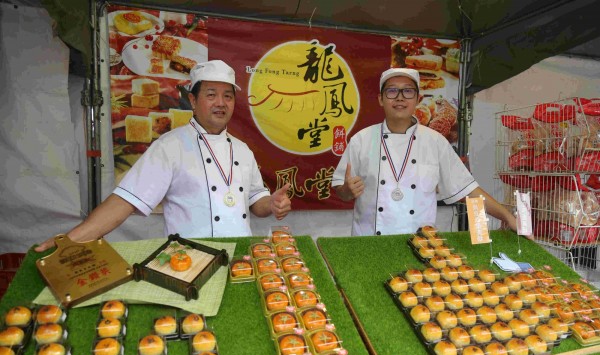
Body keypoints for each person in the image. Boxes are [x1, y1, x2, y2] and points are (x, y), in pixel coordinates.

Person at [36, 60, 291, 251]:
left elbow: (256, 202)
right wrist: (70, 241)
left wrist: (272, 203)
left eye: (227, 96)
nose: (220, 103)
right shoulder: (171, 146)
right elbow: (124, 202)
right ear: (192, 101)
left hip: (240, 259)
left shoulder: (242, 150)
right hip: (188, 260)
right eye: (211, 95)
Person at [332, 67, 519, 236]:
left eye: (407, 91)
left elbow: (467, 189)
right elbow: (340, 189)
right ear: (381, 99)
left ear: (418, 99)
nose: (399, 97)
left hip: (421, 243)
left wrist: (507, 217)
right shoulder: (361, 140)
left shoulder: (435, 141)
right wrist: (347, 191)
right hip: (368, 241)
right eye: (391, 91)